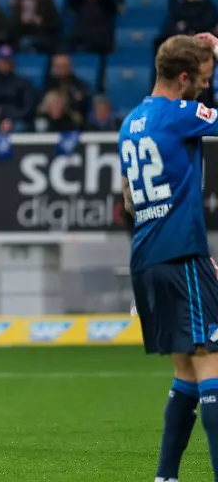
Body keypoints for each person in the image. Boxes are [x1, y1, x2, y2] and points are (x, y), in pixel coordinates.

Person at [119, 32, 218, 482]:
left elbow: (127, 198)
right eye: (201, 79)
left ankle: (165, 477)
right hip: (181, 255)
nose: (203, 86)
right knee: (211, 362)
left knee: (187, 371)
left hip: (146, 256)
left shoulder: (131, 121)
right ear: (182, 79)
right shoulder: (179, 115)